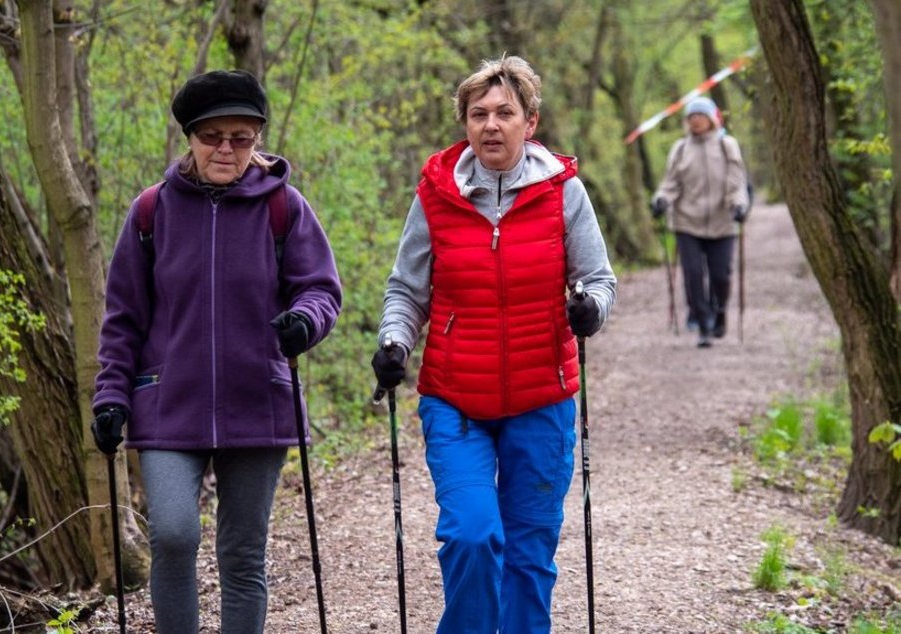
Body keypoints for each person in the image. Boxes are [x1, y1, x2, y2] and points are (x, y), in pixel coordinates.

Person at [90, 69, 342, 634]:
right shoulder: (152, 212)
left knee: (243, 553)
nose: (226, 149)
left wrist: (305, 322)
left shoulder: (284, 207)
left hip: (259, 402)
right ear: (190, 137)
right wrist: (110, 397)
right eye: (213, 136)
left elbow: (321, 289)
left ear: (257, 140)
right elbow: (122, 317)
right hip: (167, 403)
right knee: (174, 534)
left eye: (242, 137)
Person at [371, 55, 616, 634]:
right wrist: (394, 343)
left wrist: (590, 309)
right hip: (456, 399)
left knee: (529, 556)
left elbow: (599, 280)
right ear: (465, 124)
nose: (490, 125)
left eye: (505, 113)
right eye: (478, 114)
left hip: (542, 397)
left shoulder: (563, 192)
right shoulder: (436, 196)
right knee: (472, 534)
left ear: (529, 123)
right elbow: (407, 289)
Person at [650, 96, 749, 347]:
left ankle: (720, 311)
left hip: (722, 222)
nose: (695, 120)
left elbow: (737, 182)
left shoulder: (727, 146)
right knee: (693, 275)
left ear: (711, 119)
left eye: (700, 115)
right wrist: (661, 199)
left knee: (721, 276)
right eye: (691, 116)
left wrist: (739, 205)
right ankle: (704, 324)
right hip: (687, 222)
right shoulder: (681, 149)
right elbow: (671, 183)